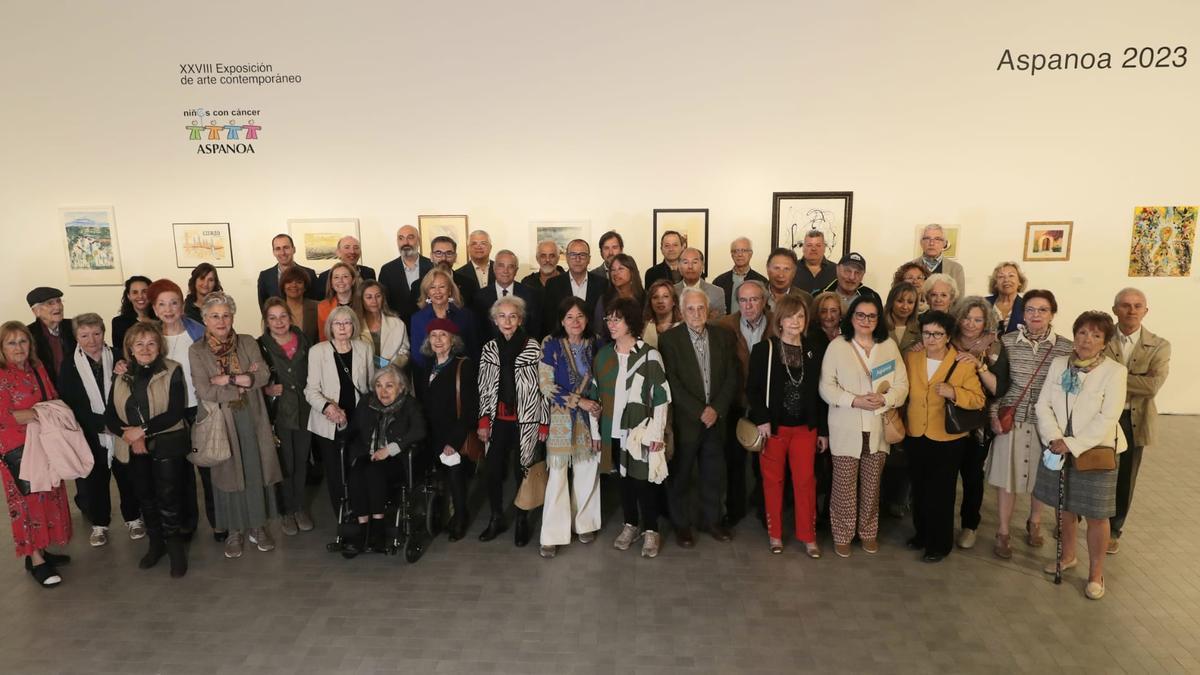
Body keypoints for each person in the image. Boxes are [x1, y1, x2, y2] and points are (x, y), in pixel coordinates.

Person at [1033, 311, 1127, 600]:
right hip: (1058, 445)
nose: (1087, 340)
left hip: (1095, 452)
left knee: (1097, 515)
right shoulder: (1059, 364)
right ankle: (1068, 556)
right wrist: (1054, 437)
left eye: (1096, 335)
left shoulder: (1114, 372)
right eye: (1083, 333)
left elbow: (1108, 417)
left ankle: (1096, 573)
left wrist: (1071, 444)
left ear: (1105, 342)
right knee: (1065, 507)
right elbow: (1043, 405)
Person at [189, 292, 282, 560]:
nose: (221, 320)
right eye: (215, 316)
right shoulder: (197, 350)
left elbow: (262, 375)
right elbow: (204, 389)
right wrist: (242, 382)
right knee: (227, 477)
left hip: (252, 418)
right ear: (205, 319)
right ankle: (234, 531)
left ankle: (258, 527)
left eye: (226, 315)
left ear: (233, 317)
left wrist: (227, 378)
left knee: (255, 471)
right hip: (222, 421)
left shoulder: (248, 342)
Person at [985, 289, 1073, 559]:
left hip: (1047, 424)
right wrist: (993, 416)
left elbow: (1068, 390)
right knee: (1006, 479)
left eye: (1042, 310)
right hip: (1012, 418)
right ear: (1023, 314)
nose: (1036, 315)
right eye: (1031, 310)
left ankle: (1034, 522)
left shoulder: (1065, 347)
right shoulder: (1008, 342)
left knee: (1041, 478)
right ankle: (1002, 531)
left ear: (1052, 314)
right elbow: (998, 384)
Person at [819, 295, 909, 558]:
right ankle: (842, 534)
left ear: (878, 319)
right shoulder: (838, 346)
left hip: (879, 426)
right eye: (860, 315)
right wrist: (855, 400)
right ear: (852, 318)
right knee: (844, 485)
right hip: (846, 425)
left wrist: (886, 398)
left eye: (871, 316)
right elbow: (827, 386)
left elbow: (902, 384)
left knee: (872, 485)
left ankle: (868, 532)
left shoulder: (888, 346)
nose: (866, 320)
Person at [105, 322, 192, 577]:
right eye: (139, 344)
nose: (145, 348)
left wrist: (141, 431)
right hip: (131, 446)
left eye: (151, 343)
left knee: (168, 499)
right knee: (145, 497)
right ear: (130, 348)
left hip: (165, 444)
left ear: (159, 347)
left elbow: (175, 412)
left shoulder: (172, 370)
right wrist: (128, 435)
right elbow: (110, 414)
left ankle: (175, 549)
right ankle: (156, 545)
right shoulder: (121, 374)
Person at [746, 293, 827, 556]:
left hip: (806, 428)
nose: (795, 321)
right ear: (779, 320)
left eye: (801, 316)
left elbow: (820, 393)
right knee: (773, 481)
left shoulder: (814, 349)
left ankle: (808, 535)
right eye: (790, 316)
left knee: (805, 482)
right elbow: (753, 390)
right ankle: (775, 534)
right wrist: (762, 420)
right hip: (775, 429)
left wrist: (822, 431)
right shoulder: (764, 350)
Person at [902, 310, 985, 562]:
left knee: (942, 493)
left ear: (948, 336)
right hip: (915, 431)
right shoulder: (911, 357)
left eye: (938, 334)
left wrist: (954, 392)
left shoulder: (962, 363)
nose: (932, 338)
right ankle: (921, 534)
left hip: (947, 439)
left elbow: (979, 399)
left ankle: (940, 544)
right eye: (927, 332)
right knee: (919, 487)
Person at [592, 297, 672, 558]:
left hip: (641, 432)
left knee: (644, 483)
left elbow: (661, 397)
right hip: (612, 431)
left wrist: (657, 434)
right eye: (609, 319)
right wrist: (596, 433)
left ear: (631, 322)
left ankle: (651, 530)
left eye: (617, 319)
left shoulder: (650, 355)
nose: (611, 324)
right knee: (623, 481)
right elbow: (595, 398)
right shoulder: (603, 355)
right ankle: (630, 524)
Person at [659, 288, 737, 546]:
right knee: (681, 474)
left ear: (709, 310)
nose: (696, 313)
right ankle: (681, 525)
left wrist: (716, 408)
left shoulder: (723, 336)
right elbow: (671, 380)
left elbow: (731, 376)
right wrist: (698, 410)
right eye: (690, 309)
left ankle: (712, 520)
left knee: (713, 473)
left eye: (700, 308)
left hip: (716, 418)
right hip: (686, 420)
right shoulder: (670, 340)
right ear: (681, 312)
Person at [57, 314, 141, 548]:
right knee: (95, 482)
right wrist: (100, 425)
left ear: (104, 333)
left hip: (121, 429)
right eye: (84, 335)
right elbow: (72, 404)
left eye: (96, 333)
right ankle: (100, 525)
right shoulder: (69, 365)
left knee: (127, 477)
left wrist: (116, 424)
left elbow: (131, 394)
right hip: (91, 433)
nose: (92, 340)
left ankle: (133, 519)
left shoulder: (118, 357)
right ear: (76, 337)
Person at [0, 321, 73, 587]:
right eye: (11, 342)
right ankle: (36, 559)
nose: (19, 347)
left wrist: (40, 413)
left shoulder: (37, 367)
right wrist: (38, 413)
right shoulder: (1, 375)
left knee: (48, 496)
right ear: (1, 348)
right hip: (15, 451)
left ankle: (41, 549)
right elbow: (5, 416)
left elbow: (52, 398)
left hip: (44, 443)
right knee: (26, 502)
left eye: (23, 341)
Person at [1102, 288, 1170, 554]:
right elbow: (1089, 374)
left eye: (1137, 306)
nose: (1131, 310)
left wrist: (1111, 377)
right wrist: (1134, 378)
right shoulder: (1101, 338)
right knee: (1090, 467)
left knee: (1125, 477)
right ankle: (1080, 516)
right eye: (1125, 305)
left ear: (1145, 310)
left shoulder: (1160, 345)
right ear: (1115, 309)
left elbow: (1152, 386)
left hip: (1133, 418)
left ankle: (1114, 529)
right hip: (1102, 416)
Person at [476, 295, 548, 547]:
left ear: (520, 320)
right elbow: (484, 387)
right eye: (502, 316)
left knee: (523, 470)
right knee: (493, 470)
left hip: (526, 420)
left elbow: (544, 388)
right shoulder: (489, 349)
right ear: (495, 320)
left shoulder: (533, 347)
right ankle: (496, 517)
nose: (507, 321)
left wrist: (544, 422)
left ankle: (521, 518)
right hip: (498, 420)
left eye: (513, 316)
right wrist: (484, 420)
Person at [537, 297, 603, 558]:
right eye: (569, 317)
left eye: (580, 317)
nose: (575, 322)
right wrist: (579, 401)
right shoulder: (550, 344)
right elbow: (546, 385)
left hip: (590, 419)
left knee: (588, 470)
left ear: (587, 319)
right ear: (561, 321)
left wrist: (595, 404)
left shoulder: (595, 343)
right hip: (561, 418)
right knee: (557, 476)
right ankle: (553, 535)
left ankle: (585, 524)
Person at [146, 279, 211, 539]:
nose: (169, 309)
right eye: (162, 304)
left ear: (182, 305)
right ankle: (186, 523)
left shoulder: (198, 331)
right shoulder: (150, 336)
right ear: (154, 308)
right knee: (178, 473)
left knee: (207, 467)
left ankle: (219, 522)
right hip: (167, 413)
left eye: (174, 302)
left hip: (199, 407)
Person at [343, 366, 426, 556]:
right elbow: (353, 428)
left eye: (389, 386)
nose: (383, 391)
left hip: (396, 459)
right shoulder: (366, 402)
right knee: (356, 474)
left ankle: (378, 529)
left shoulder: (409, 404)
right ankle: (363, 530)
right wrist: (342, 424)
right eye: (379, 386)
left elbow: (419, 430)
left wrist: (389, 449)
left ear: (401, 387)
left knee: (374, 473)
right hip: (368, 455)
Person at [305, 306, 375, 520]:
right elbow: (310, 390)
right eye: (338, 323)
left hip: (357, 420)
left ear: (353, 325)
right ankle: (343, 519)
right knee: (335, 473)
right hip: (329, 421)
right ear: (330, 327)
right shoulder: (318, 351)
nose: (343, 327)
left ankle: (361, 512)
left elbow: (370, 386)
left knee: (357, 468)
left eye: (347, 322)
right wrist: (328, 408)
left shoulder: (364, 348)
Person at [413, 319, 476, 541]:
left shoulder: (463, 365)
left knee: (455, 479)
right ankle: (441, 516)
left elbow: (470, 408)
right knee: (438, 478)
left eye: (443, 335)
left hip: (452, 435)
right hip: (430, 434)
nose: (438, 340)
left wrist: (455, 441)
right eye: (434, 335)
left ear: (453, 340)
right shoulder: (425, 367)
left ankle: (461, 517)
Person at [716, 279, 773, 527]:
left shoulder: (776, 323)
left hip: (767, 404)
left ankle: (764, 508)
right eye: (743, 300)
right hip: (735, 403)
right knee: (734, 461)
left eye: (754, 299)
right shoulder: (724, 325)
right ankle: (735, 509)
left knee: (766, 463)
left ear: (764, 301)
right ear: (737, 302)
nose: (749, 305)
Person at [949, 297, 1003, 549]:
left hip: (977, 421)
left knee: (972, 476)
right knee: (945, 475)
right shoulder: (946, 340)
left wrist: (980, 366)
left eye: (978, 319)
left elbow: (998, 387)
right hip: (946, 416)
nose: (971, 324)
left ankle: (970, 525)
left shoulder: (993, 346)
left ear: (986, 322)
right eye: (967, 317)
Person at [258, 298, 314, 536]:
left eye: (283, 316)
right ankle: (286, 511)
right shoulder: (260, 346)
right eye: (273, 317)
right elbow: (253, 379)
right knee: (284, 463)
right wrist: (266, 390)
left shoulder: (304, 340)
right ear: (266, 321)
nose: (279, 322)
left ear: (290, 318)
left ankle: (300, 507)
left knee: (301, 461)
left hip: (304, 410)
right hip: (278, 412)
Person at [408, 268, 478, 369]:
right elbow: (417, 358)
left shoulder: (466, 315)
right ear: (427, 292)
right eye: (432, 287)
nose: (437, 292)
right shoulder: (417, 319)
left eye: (442, 287)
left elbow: (473, 352)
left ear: (449, 290)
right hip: (429, 376)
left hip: (461, 375)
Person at [472, 250, 542, 342]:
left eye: (511, 267)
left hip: (523, 350)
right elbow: (478, 330)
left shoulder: (530, 295)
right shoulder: (480, 297)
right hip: (490, 351)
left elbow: (534, 328)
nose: (506, 271)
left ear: (516, 270)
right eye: (501, 266)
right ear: (494, 268)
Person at [544, 239, 607, 329]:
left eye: (582, 255)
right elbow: (550, 319)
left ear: (589, 259)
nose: (578, 259)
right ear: (567, 258)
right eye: (573, 255)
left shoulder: (602, 284)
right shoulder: (553, 284)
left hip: (594, 340)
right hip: (562, 339)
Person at [378, 224, 433, 322]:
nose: (405, 242)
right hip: (398, 326)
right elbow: (383, 303)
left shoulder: (432, 267)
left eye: (410, 237)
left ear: (418, 241)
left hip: (429, 325)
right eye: (401, 238)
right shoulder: (387, 270)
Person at [26, 287, 75, 388]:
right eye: (50, 303)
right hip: (44, 389)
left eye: (59, 301)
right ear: (36, 311)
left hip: (75, 387)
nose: (58, 307)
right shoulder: (28, 334)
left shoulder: (74, 327)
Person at [357, 281, 410, 370]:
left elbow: (405, 352)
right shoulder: (354, 325)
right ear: (361, 300)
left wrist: (391, 368)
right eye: (369, 297)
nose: (374, 301)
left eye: (378, 296)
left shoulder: (397, 323)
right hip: (363, 375)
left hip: (392, 375)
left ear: (383, 298)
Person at [257, 233, 321, 306]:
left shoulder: (309, 274)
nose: (282, 252)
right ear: (274, 252)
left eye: (286, 247)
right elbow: (264, 307)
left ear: (294, 249)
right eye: (278, 249)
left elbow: (317, 304)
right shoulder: (265, 276)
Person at [594, 253, 644, 342]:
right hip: (611, 349)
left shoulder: (645, 298)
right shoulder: (604, 300)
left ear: (632, 272)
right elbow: (599, 331)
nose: (616, 273)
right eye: (612, 270)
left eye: (621, 269)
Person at [713, 237, 768, 315]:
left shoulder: (761, 281)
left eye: (744, 250)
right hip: (725, 325)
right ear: (732, 255)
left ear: (751, 254)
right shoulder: (719, 281)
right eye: (736, 251)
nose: (740, 254)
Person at [911, 224, 965, 295]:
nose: (932, 243)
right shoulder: (909, 267)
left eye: (937, 239)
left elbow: (959, 301)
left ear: (944, 243)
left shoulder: (956, 269)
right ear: (921, 243)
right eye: (927, 238)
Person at [316, 261, 362, 342]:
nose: (340, 280)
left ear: (353, 281)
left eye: (345, 276)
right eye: (336, 277)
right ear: (331, 282)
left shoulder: (363, 303)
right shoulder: (322, 306)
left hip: (362, 349)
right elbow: (324, 337)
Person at [674, 248, 727, 318]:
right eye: (686, 262)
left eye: (695, 262)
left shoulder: (717, 292)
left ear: (702, 266)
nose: (690, 267)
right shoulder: (672, 291)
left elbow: (720, 322)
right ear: (679, 266)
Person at [110, 275, 152, 355]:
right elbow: (119, 353)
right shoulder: (118, 322)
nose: (140, 296)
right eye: (135, 292)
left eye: (144, 292)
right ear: (129, 296)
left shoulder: (160, 320)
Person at [280, 266, 320, 345]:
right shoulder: (275, 310)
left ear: (305, 287)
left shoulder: (318, 307)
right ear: (283, 286)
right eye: (289, 282)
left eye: (299, 282)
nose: (294, 285)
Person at [454, 230, 495, 306]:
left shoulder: (501, 270)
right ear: (468, 248)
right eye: (474, 243)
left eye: (483, 243)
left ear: (490, 247)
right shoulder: (459, 274)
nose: (478, 247)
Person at [986, 262, 1028, 335]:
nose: (1006, 280)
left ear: (1020, 282)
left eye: (1011, 276)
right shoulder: (983, 304)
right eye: (1001, 277)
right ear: (995, 283)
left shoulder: (1028, 306)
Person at [766, 248, 811, 312]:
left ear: (794, 272)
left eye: (786, 269)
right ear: (768, 269)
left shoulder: (805, 299)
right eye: (776, 268)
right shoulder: (756, 294)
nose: (781, 275)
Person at [794, 229, 838, 295]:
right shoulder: (792, 268)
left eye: (818, 245)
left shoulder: (836, 270)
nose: (813, 249)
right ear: (803, 248)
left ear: (824, 248)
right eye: (809, 245)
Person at [642, 279, 681, 348]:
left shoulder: (683, 327)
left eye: (665, 296)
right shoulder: (643, 327)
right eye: (655, 297)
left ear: (674, 301)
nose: (660, 301)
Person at [884, 283, 921, 352]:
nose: (905, 307)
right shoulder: (879, 326)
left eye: (910, 302)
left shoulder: (920, 328)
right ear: (891, 302)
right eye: (900, 301)